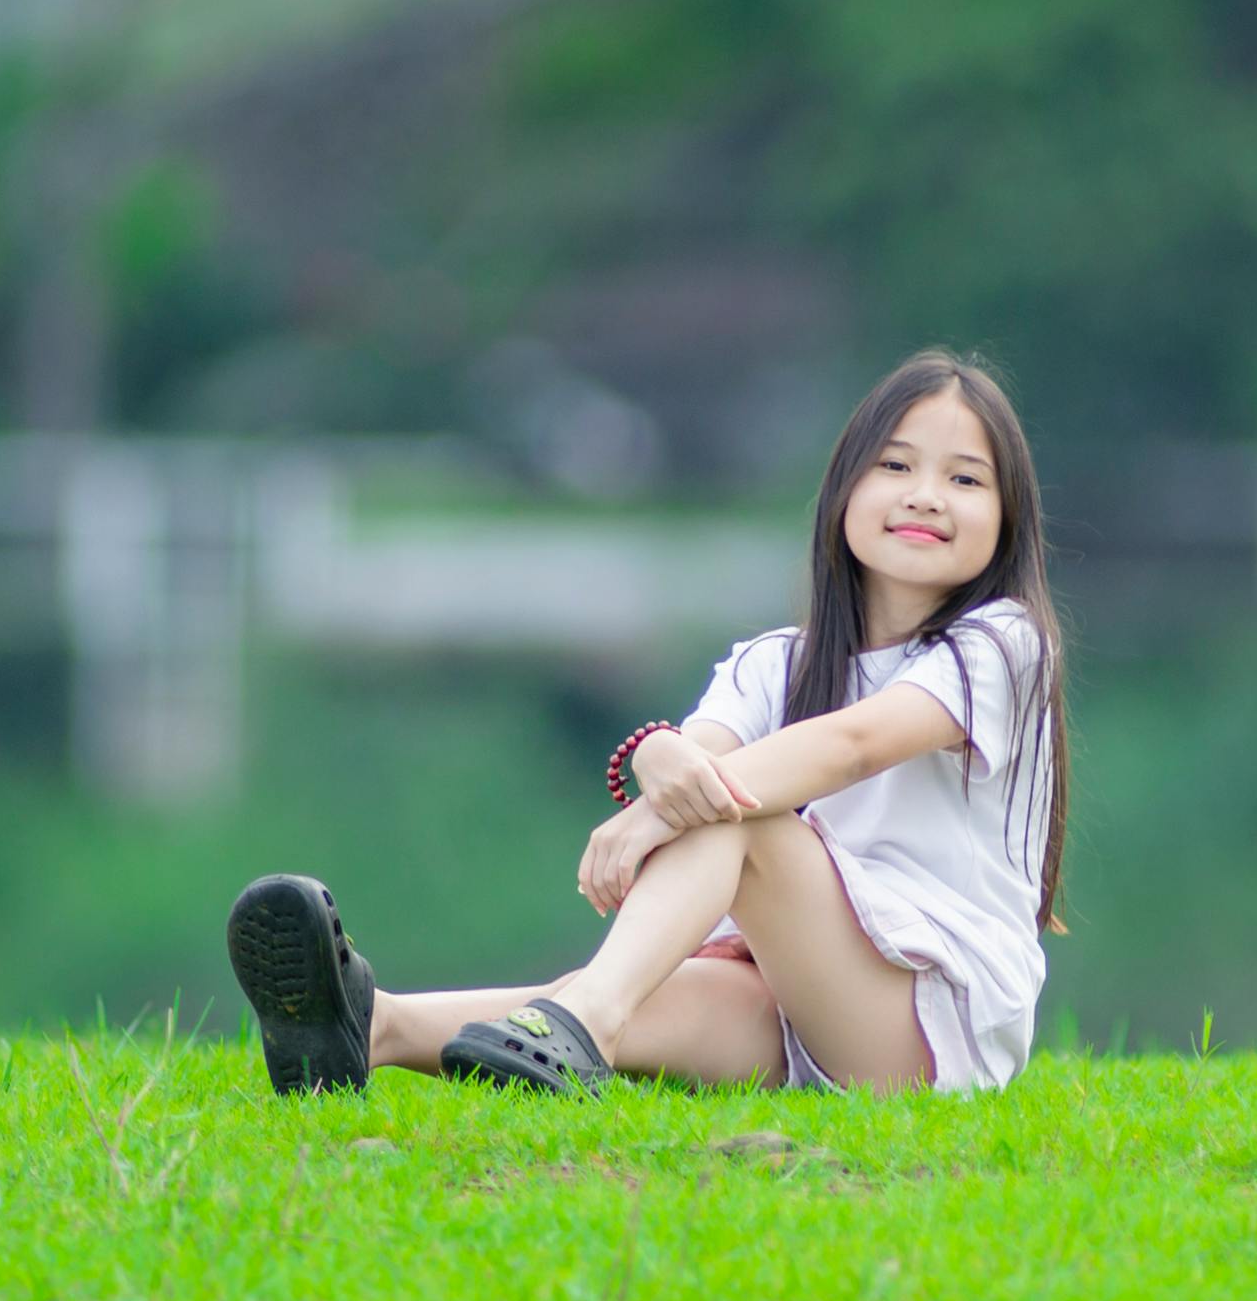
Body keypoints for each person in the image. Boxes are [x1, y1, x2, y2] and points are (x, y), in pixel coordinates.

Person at [225, 344, 1069, 1098]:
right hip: (793, 1005)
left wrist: (669, 797)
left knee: (737, 817)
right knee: (666, 991)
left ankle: (584, 1019)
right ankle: (369, 1030)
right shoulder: (777, 660)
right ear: (844, 488)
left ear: (1004, 521)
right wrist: (659, 754)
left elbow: (851, 746)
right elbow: (698, 751)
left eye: (964, 479)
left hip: (927, 1029)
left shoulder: (1001, 645)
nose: (926, 497)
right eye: (894, 467)